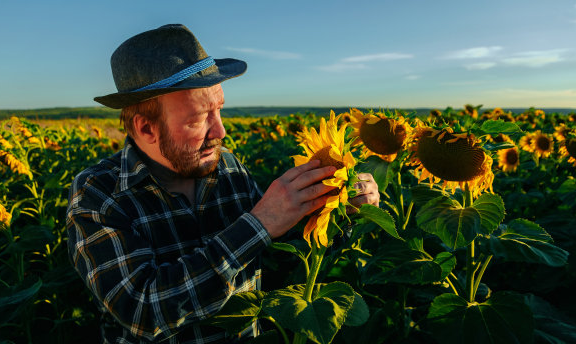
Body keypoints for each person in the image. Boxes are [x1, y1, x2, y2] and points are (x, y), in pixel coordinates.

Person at [66, 24, 379, 343]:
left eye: (219, 110)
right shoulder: (99, 194)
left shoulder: (227, 167)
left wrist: (336, 207)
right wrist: (261, 222)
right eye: (199, 119)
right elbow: (143, 311)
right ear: (147, 129)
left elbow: (276, 256)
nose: (220, 132)